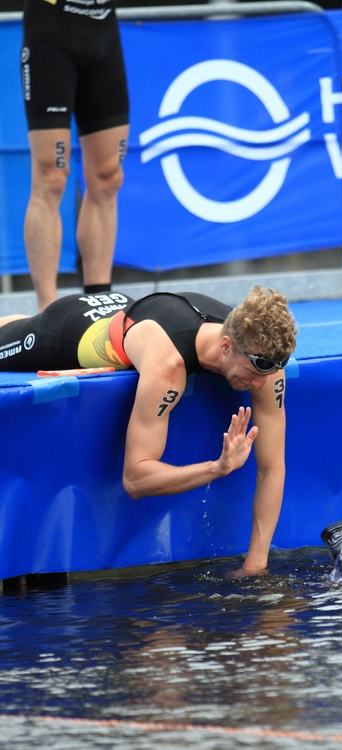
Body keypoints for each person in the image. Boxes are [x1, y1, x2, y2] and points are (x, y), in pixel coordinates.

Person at [0, 287, 298, 577]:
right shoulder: (167, 366)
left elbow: (272, 469)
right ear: (225, 347)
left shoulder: (267, 365)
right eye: (254, 374)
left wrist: (254, 568)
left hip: (131, 308)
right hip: (79, 326)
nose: (261, 385)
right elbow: (135, 478)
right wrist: (216, 468)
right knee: (12, 333)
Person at [20, 0, 129, 312]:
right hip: (51, 28)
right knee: (51, 177)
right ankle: (47, 312)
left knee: (108, 177)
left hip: (103, 25)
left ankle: (100, 305)